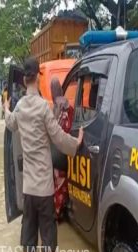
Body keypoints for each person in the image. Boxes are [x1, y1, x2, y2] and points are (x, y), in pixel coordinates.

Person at [4, 57, 83, 252]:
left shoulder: (19, 108)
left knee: (28, 246)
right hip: (45, 188)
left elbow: (10, 124)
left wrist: (6, 108)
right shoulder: (43, 108)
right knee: (48, 246)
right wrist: (75, 143)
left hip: (28, 188)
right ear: (38, 78)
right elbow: (58, 138)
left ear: (23, 81)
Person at [50, 77, 74, 221]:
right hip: (66, 149)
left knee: (57, 184)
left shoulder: (54, 108)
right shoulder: (68, 106)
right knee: (63, 183)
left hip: (56, 152)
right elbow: (71, 126)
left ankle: (57, 213)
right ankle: (63, 210)